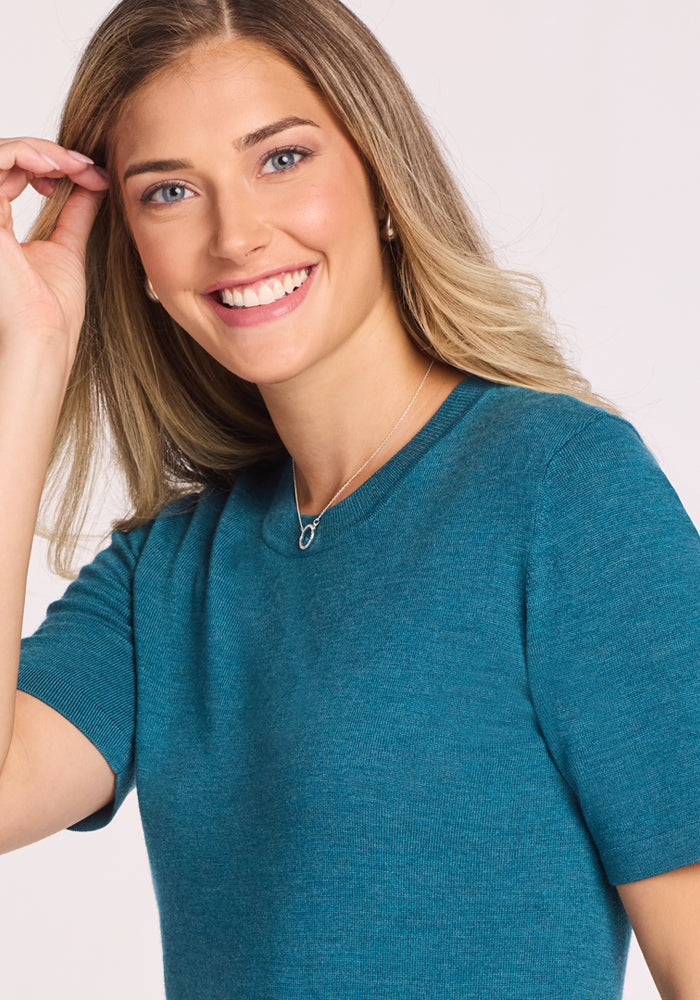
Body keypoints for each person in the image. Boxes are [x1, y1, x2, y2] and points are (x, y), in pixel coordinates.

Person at [1, 0, 698, 996]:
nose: (237, 235)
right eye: (168, 192)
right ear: (135, 260)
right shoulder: (171, 573)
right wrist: (26, 352)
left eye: (280, 158)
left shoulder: (560, 488)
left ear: (377, 176)